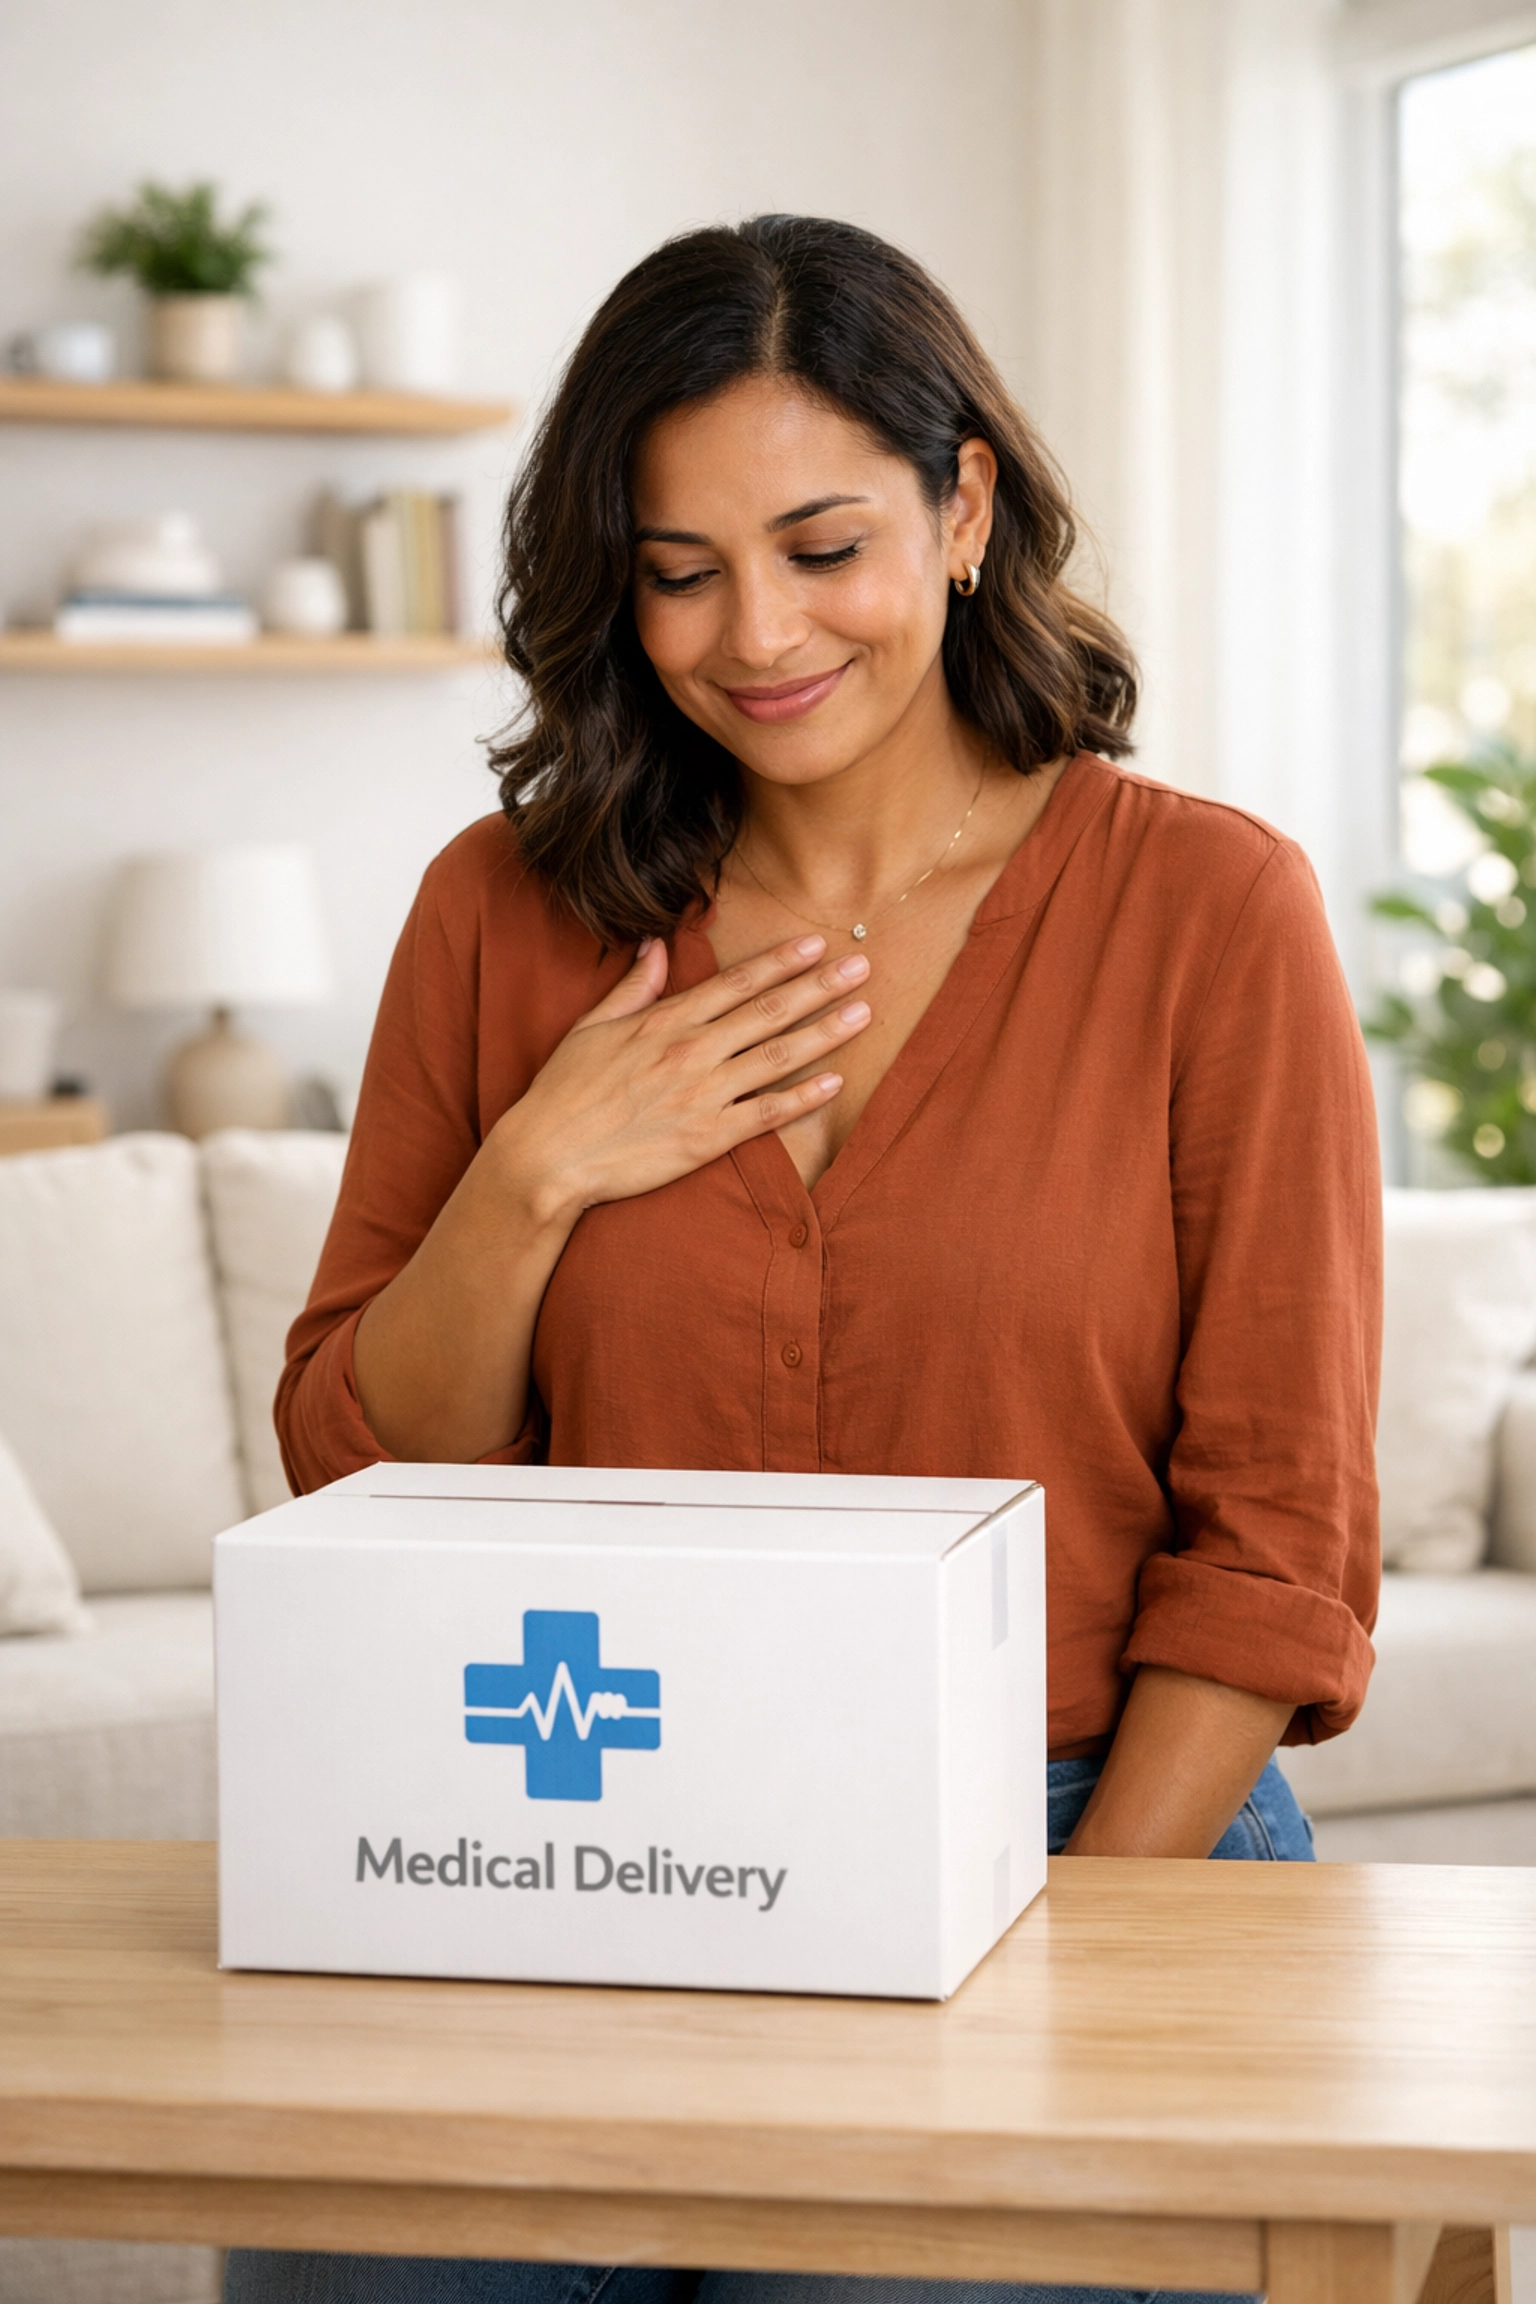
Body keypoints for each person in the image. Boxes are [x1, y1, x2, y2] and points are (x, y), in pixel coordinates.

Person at [231, 215, 1381, 2304]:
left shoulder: (1215, 914)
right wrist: (536, 1175)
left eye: (821, 545)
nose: (751, 633)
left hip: (1081, 1839)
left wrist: (1069, 1964)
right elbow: (359, 1476)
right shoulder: (501, 914)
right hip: (574, 1836)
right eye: (678, 571)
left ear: (962, 509)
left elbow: (1278, 1535)